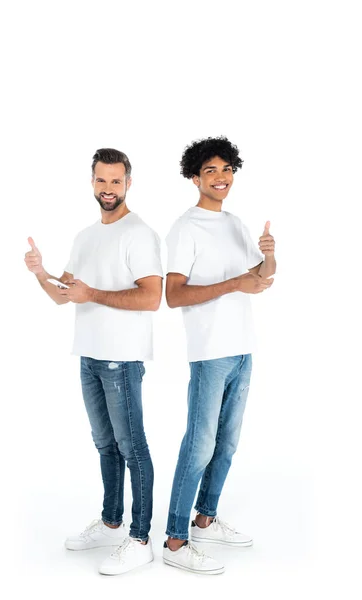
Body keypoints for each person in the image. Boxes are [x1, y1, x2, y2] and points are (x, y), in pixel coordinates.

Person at [24, 148, 163, 575]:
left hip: (122, 361)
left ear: (128, 183)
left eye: (116, 181)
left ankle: (140, 538)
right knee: (105, 445)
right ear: (92, 183)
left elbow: (151, 297)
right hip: (88, 356)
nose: (108, 189)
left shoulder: (139, 234)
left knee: (132, 447)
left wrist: (93, 294)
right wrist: (39, 272)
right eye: (101, 181)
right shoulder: (85, 236)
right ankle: (111, 521)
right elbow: (65, 295)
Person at [162, 136, 276, 574]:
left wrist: (269, 257)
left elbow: (260, 279)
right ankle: (175, 541)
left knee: (226, 445)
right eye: (210, 170)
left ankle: (205, 519)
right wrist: (234, 284)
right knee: (199, 446)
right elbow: (173, 295)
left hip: (243, 349)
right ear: (195, 178)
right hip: (210, 353)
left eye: (226, 169)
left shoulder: (235, 223)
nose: (221, 177)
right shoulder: (185, 227)